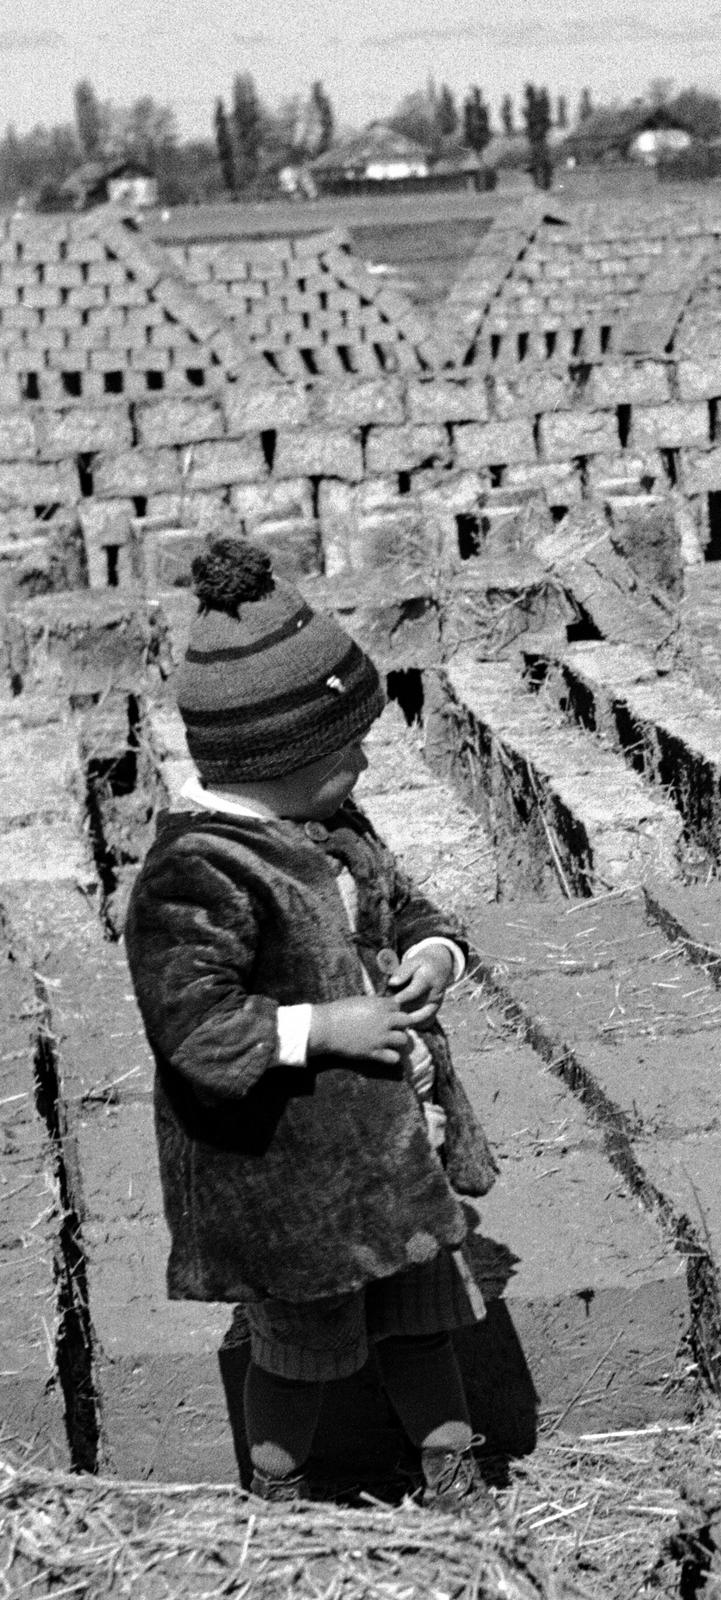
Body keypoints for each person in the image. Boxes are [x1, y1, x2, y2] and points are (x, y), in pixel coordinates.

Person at [124, 537, 497, 1506]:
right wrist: (321, 1029)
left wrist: (431, 955)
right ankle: (276, 1492)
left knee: (423, 1320)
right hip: (290, 1182)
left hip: (394, 1159)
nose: (366, 759)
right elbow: (195, 1027)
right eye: (350, 747)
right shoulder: (197, 872)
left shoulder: (335, 823)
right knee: (298, 1348)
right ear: (278, 756)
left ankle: (454, 1469)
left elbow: (411, 907)